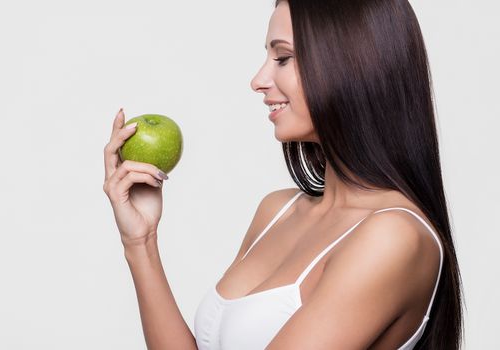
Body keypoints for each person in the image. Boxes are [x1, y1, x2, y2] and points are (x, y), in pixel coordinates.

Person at [103, 0, 464, 349]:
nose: (258, 80)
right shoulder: (277, 210)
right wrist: (141, 242)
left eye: (283, 58)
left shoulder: (394, 237)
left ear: (355, 65)